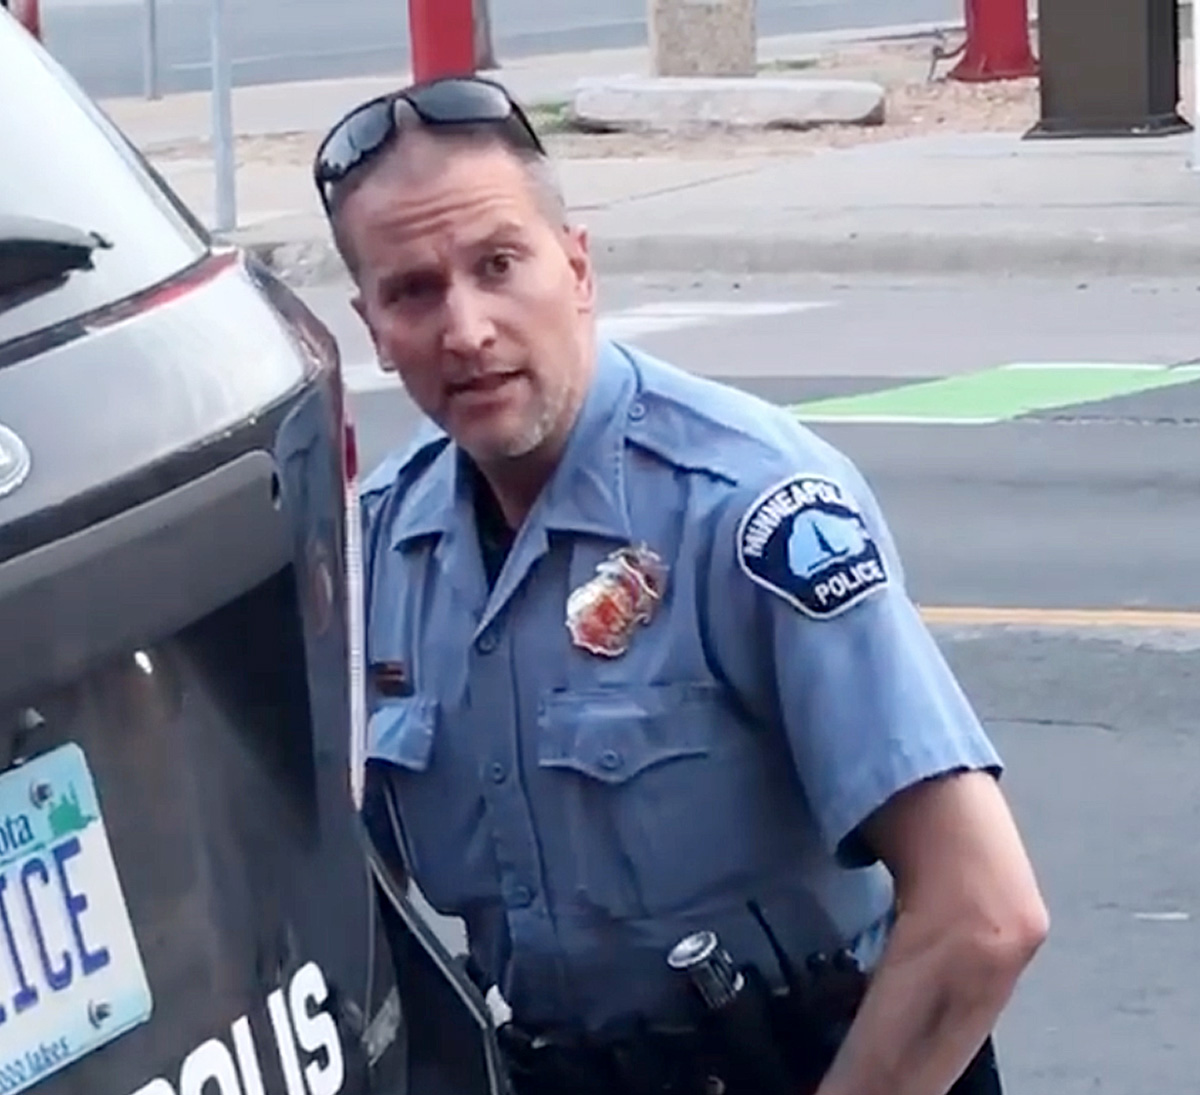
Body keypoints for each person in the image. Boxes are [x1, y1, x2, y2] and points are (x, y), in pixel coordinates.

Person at [312, 75, 1050, 1095]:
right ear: (373, 329)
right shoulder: (384, 551)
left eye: (499, 264)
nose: (468, 329)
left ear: (576, 266)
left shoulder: (751, 505)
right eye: (414, 291)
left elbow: (984, 914)